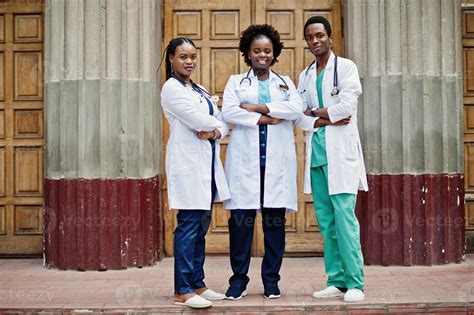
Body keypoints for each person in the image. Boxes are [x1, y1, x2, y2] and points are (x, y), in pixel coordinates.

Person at [221, 24, 302, 300]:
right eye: (257, 51)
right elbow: (229, 111)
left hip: (275, 166)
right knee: (241, 225)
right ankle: (238, 280)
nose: (262, 55)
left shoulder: (286, 82)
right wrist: (269, 118)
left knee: (274, 226)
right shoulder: (236, 81)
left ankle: (271, 280)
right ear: (248, 53)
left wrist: (256, 108)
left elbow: (296, 108)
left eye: (267, 51)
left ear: (274, 53)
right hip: (246, 166)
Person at [295, 16, 368, 302]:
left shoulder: (346, 67)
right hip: (318, 158)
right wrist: (322, 116)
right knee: (326, 222)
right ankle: (336, 280)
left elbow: (347, 108)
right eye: (310, 37)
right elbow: (300, 116)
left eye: (319, 35)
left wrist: (316, 112)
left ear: (330, 37)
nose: (315, 41)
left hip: (342, 156)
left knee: (345, 219)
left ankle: (355, 283)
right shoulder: (305, 75)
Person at [160, 37, 230, 309]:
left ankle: (198, 283)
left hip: (207, 165)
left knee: (201, 227)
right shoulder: (171, 89)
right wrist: (216, 127)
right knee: (188, 226)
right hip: (188, 166)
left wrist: (215, 131)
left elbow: (221, 122)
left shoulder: (197, 88)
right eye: (183, 57)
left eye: (192, 57)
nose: (189, 61)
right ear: (171, 59)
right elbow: (198, 119)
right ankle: (183, 289)